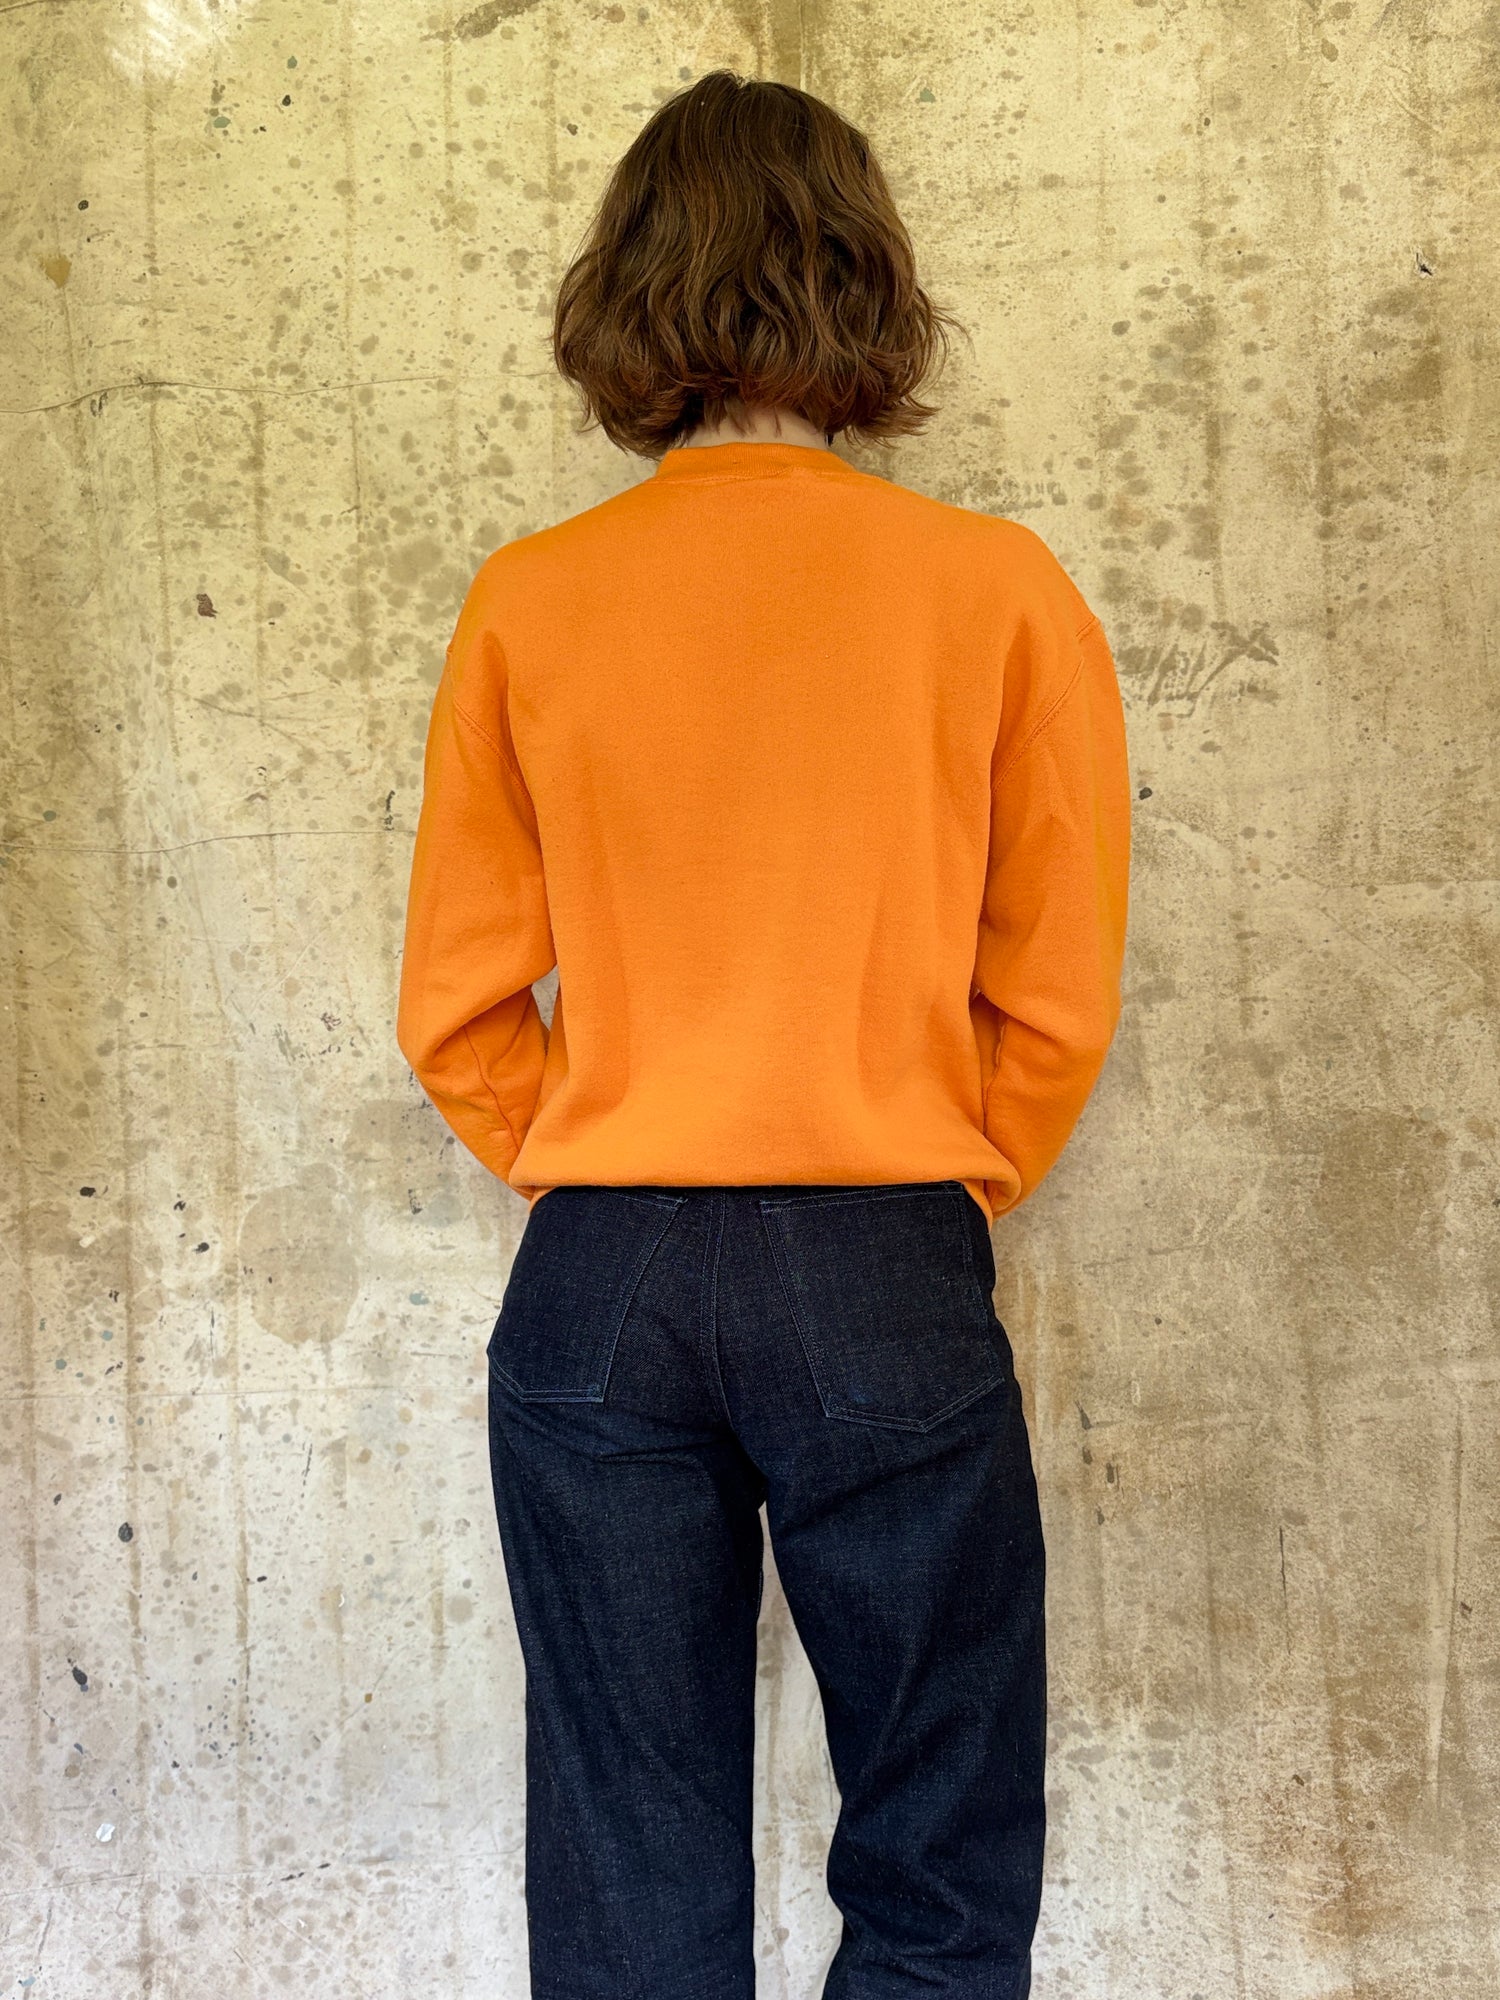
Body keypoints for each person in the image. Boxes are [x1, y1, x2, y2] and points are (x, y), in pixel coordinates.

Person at [396, 67, 1130, 2000]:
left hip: (602, 1272)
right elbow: (1055, 994)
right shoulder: (996, 592)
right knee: (938, 1851)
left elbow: (459, 1011)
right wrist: (938, 1173)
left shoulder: (531, 602)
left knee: (626, 1871)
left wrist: (604, 1149)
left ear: (626, 292)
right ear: (868, 279)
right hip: (880, 1254)